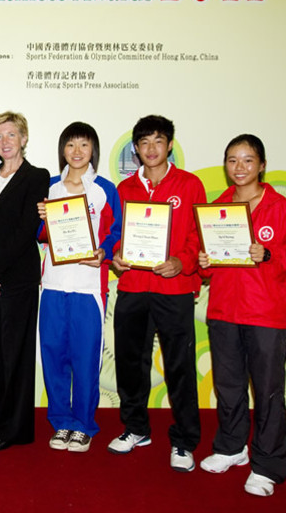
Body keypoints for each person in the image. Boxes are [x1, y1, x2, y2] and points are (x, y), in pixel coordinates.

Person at [198, 134, 286, 497]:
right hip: (225, 311)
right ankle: (232, 448)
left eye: (248, 160)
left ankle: (268, 465)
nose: (240, 168)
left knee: (267, 393)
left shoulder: (281, 209)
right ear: (225, 165)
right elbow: (209, 261)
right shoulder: (218, 207)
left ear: (262, 165)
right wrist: (204, 263)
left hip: (267, 315)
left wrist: (269, 253)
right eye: (232, 160)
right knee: (229, 388)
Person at [108, 115, 204, 472]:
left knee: (179, 366)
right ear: (135, 149)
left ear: (170, 146)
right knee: (130, 364)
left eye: (158, 141)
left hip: (174, 289)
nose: (151, 149)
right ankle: (136, 428)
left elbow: (199, 235)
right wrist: (117, 255)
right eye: (144, 142)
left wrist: (183, 261)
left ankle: (183, 441)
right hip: (133, 287)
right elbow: (117, 234)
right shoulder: (124, 190)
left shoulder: (190, 185)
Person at [36, 122, 121, 452]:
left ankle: (84, 424)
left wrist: (104, 252)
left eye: (83, 145)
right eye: (70, 145)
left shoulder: (104, 189)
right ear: (62, 150)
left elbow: (115, 232)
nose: (76, 151)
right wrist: (42, 219)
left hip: (89, 287)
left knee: (86, 359)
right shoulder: (50, 187)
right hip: (53, 284)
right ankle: (61, 422)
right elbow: (41, 236)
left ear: (93, 150)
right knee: (53, 355)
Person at [0, 112, 49, 451]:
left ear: (24, 138)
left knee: (16, 354)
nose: (5, 141)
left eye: (11, 134)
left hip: (16, 280)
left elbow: (24, 231)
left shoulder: (36, 176)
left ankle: (16, 430)